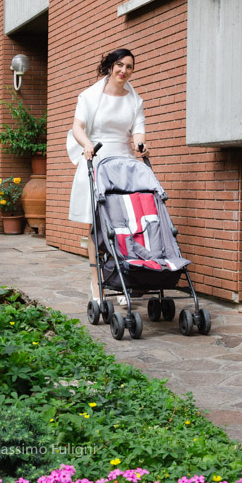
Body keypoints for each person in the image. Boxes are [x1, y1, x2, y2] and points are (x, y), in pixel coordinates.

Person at [67, 48, 150, 302]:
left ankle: (123, 277)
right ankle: (96, 284)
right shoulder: (90, 96)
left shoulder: (135, 100)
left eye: (129, 67)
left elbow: (138, 130)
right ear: (111, 66)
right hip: (97, 159)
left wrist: (140, 144)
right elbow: (77, 127)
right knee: (96, 226)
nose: (124, 71)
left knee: (125, 223)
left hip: (124, 165)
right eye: (120, 65)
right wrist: (87, 144)